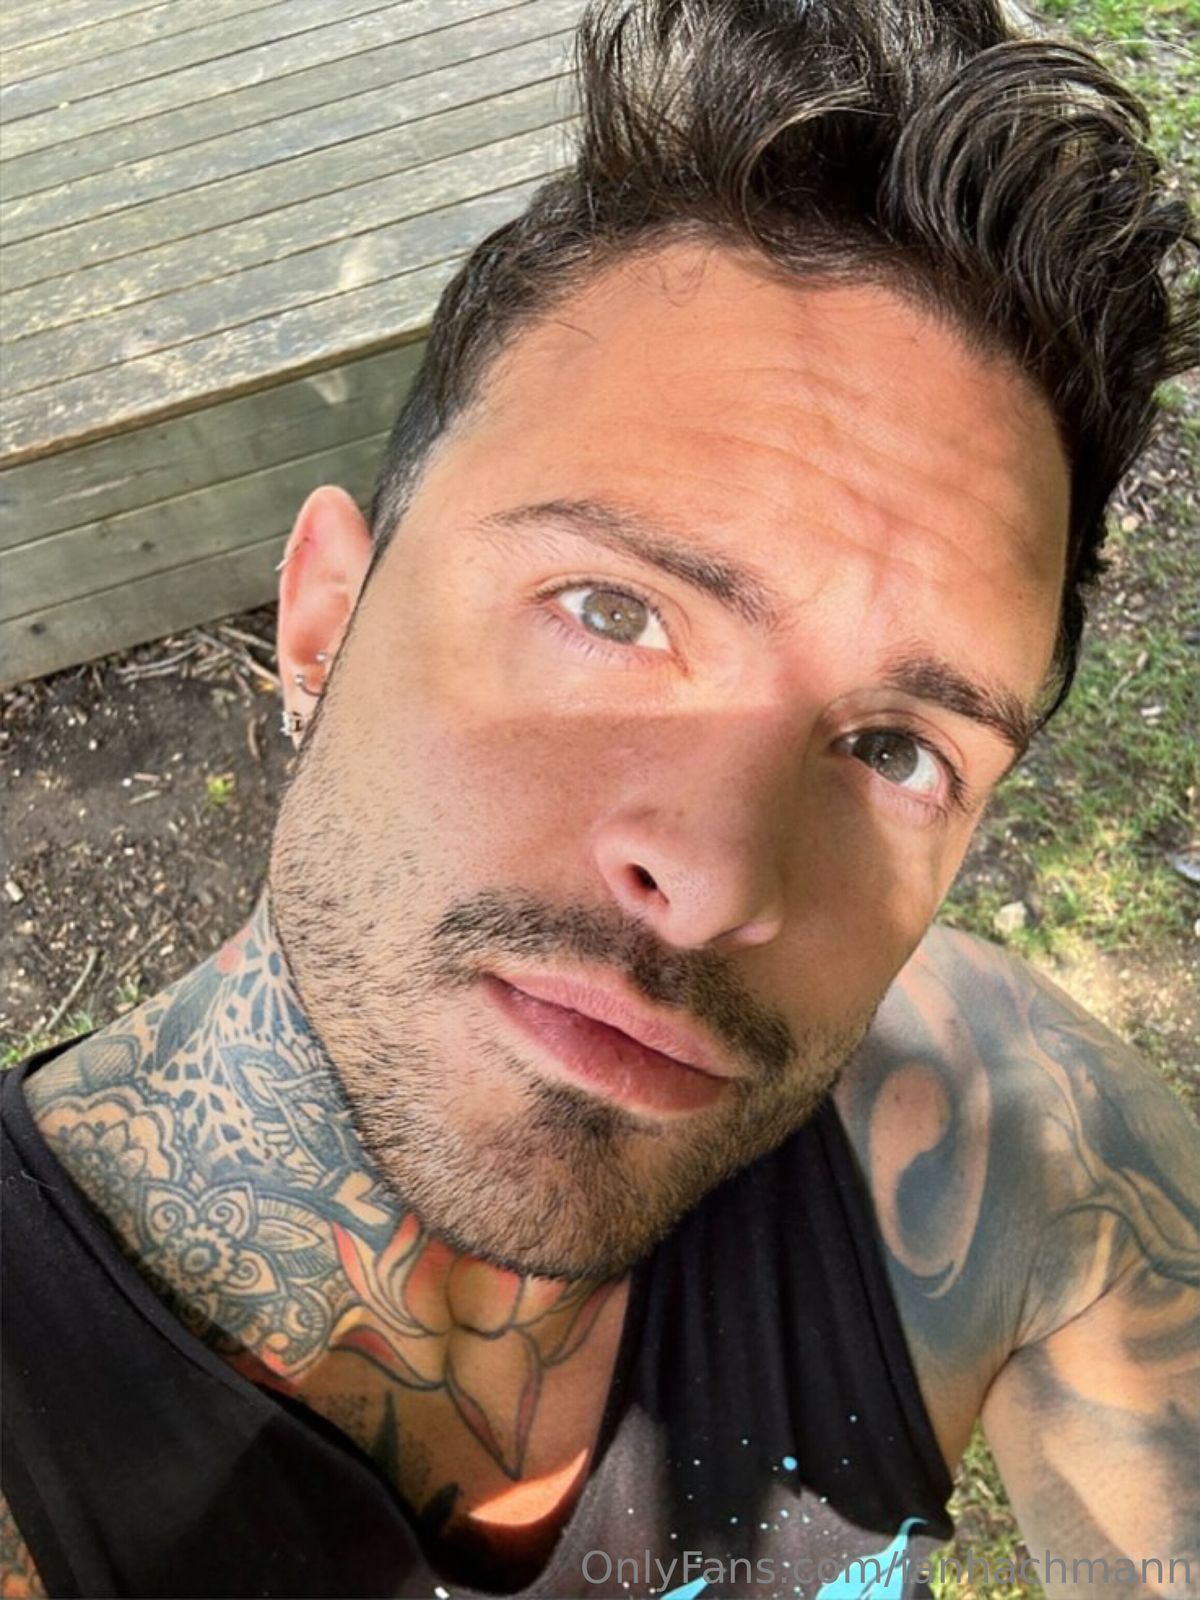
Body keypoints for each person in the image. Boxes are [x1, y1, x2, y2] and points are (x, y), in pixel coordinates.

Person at [3, 0, 1198, 1595]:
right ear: (325, 624)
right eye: (614, 611)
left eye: (897, 748)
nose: (712, 882)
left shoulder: (1015, 1141)